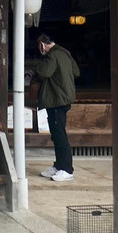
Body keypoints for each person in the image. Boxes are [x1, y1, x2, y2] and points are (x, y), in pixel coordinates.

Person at [34, 33, 81, 182]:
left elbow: (43, 72)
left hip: (56, 100)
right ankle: (59, 166)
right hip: (64, 98)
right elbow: (76, 72)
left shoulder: (52, 56)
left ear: (42, 44)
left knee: (59, 135)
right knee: (57, 133)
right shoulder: (65, 53)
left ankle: (67, 169)